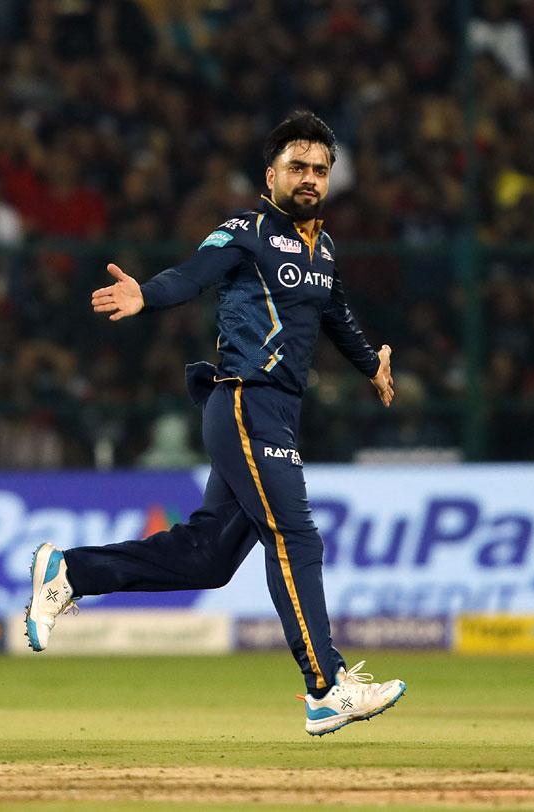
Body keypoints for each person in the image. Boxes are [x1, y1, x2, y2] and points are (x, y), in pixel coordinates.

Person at [24, 111, 406, 737]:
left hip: (277, 411)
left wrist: (371, 365)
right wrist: (147, 293)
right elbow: (193, 275)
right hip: (245, 402)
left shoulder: (324, 247)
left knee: (208, 558)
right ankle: (325, 685)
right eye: (297, 168)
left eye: (320, 169)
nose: (309, 178)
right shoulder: (246, 231)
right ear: (271, 174)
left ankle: (71, 571)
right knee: (296, 537)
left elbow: (333, 307)